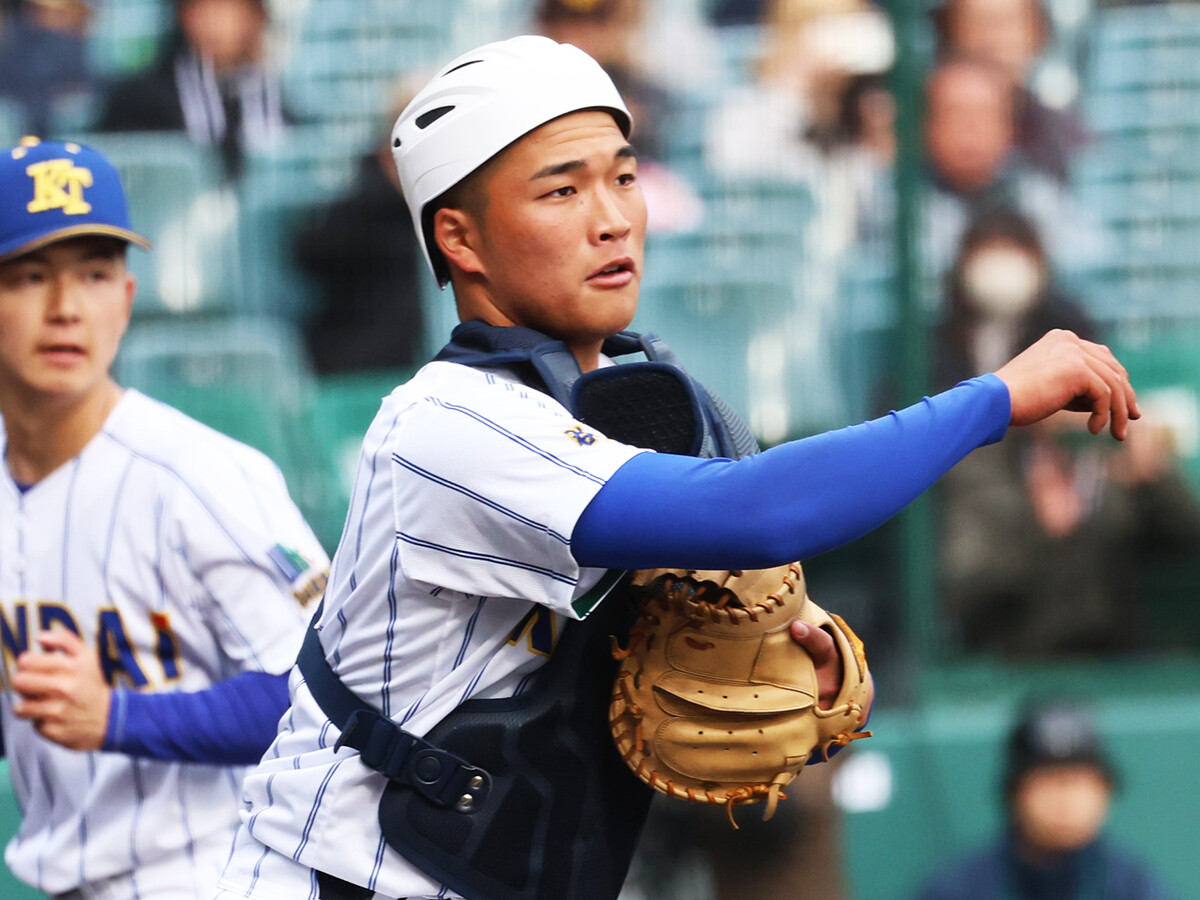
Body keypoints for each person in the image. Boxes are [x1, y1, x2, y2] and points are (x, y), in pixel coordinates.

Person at [214, 36, 1139, 900]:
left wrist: (776, 625)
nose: (613, 218)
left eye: (622, 176)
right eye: (561, 191)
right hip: (337, 874)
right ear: (458, 238)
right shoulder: (446, 421)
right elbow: (759, 511)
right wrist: (990, 400)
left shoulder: (622, 402)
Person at [0, 135, 328, 898]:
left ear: (127, 299)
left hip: (221, 876)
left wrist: (118, 717)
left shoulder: (202, 475)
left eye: (94, 272)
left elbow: (329, 690)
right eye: (30, 275)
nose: (65, 307)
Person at [934, 210, 1200, 656]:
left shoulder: (1104, 455)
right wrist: (1043, 531)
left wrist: (1153, 479)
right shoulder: (982, 467)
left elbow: (1185, 537)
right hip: (1009, 666)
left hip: (1116, 664)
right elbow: (967, 585)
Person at [918, 699, 1176, 899]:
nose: (1066, 801)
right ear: (1015, 792)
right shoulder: (960, 888)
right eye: (1049, 781)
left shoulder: (1132, 885)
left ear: (1105, 791)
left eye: (1078, 782)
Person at [95, 0, 290, 179]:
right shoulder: (140, 100)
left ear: (255, 17)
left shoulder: (272, 96)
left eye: (223, 8)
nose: (212, 22)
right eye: (200, 8)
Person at [932, 0, 1089, 184]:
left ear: (1036, 31)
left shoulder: (1060, 132)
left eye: (1007, 24)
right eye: (981, 24)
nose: (994, 41)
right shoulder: (913, 120)